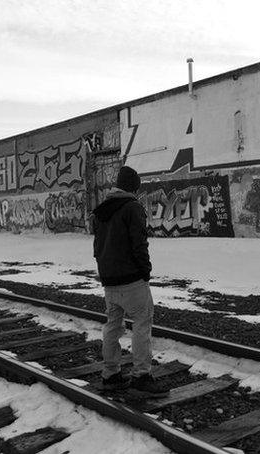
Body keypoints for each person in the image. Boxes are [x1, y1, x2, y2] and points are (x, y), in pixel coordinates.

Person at [91, 166, 169, 397]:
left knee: (113, 327)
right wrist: (145, 270)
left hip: (109, 280)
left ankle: (110, 374)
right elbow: (139, 243)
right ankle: (141, 376)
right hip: (131, 280)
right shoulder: (133, 208)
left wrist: (105, 272)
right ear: (134, 187)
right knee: (142, 325)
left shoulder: (101, 210)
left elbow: (97, 248)